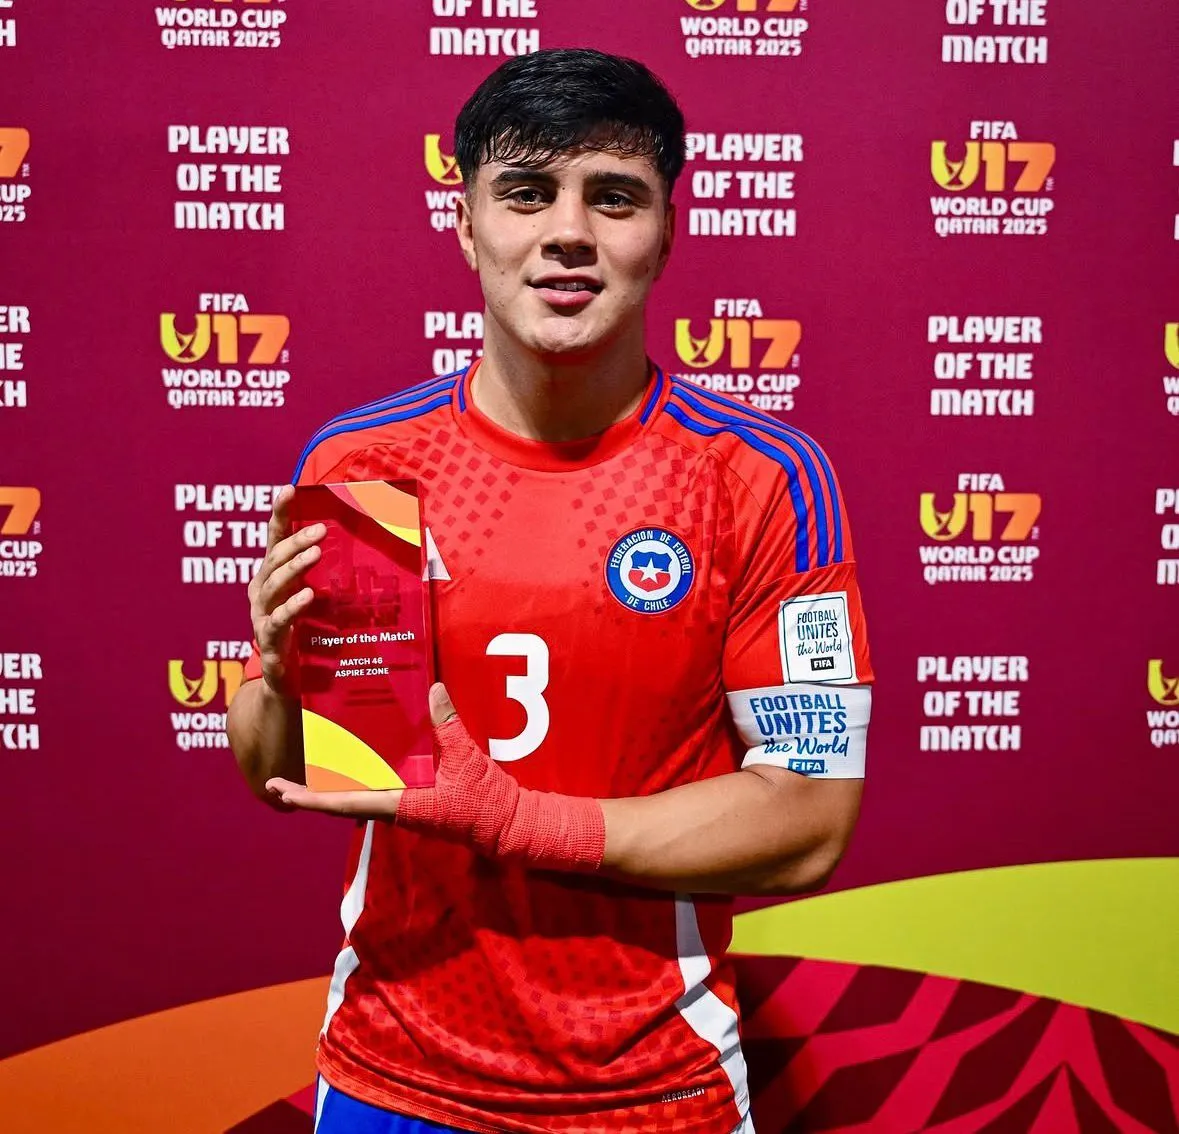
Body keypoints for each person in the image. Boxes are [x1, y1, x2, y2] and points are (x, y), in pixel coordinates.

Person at [228, 48, 872, 1134]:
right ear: (468, 224)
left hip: (651, 1090)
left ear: (666, 231)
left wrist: (523, 822)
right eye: (525, 193)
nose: (566, 231)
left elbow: (808, 821)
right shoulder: (361, 463)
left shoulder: (765, 479)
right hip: (391, 1078)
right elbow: (285, 771)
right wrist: (284, 693)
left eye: (612, 196)